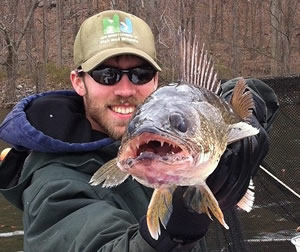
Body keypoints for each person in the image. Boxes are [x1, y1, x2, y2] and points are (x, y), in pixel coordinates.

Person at [0, 10, 278, 252]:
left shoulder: (177, 118)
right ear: (78, 81)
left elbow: (250, 93)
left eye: (140, 74)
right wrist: (175, 231)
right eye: (106, 75)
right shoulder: (53, 185)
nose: (125, 90)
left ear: (155, 80)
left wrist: (251, 119)